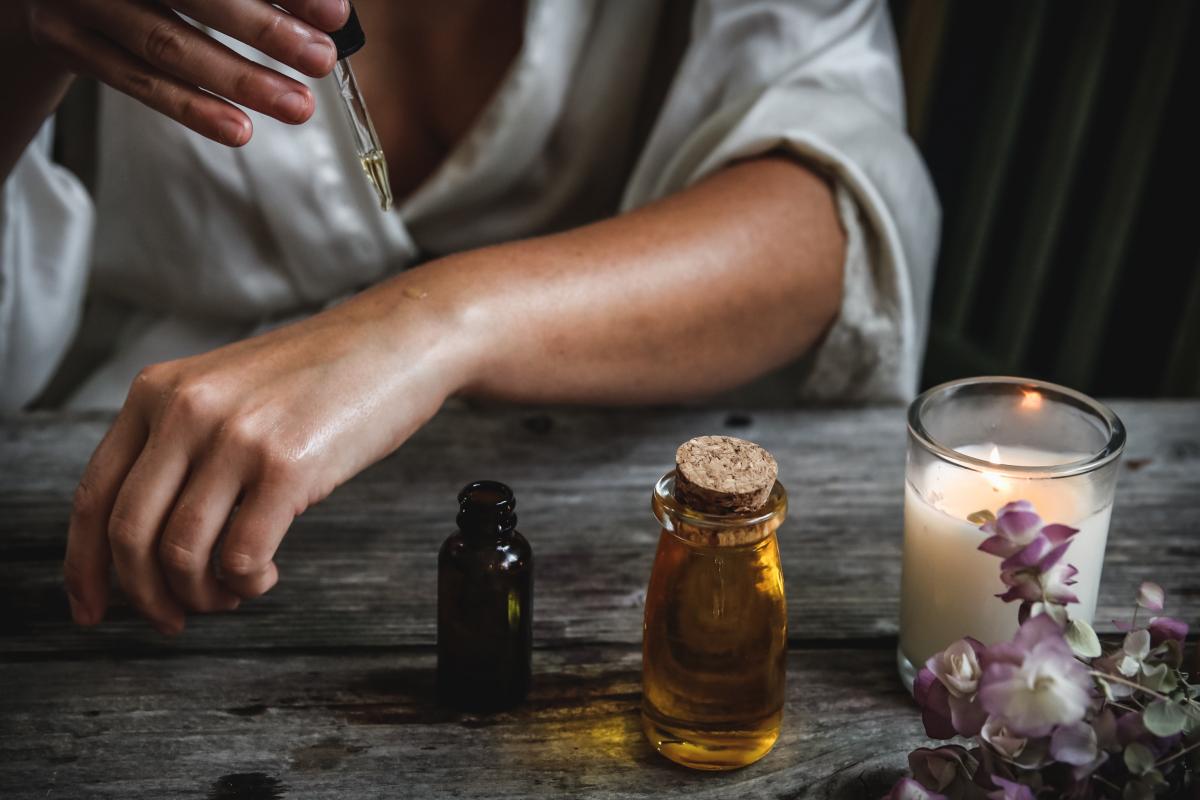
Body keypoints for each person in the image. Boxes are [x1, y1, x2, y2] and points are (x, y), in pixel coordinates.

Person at [0, 0, 939, 634]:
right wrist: (22, 35)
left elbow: (831, 205)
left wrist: (431, 322)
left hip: (586, 525)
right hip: (126, 513)